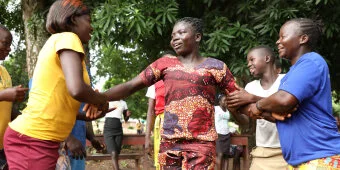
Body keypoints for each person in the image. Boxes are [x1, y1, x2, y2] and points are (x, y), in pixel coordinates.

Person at [85, 17, 238, 169]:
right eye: (173, 36)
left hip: (201, 146)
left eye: (181, 33)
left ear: (197, 37)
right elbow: (131, 85)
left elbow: (237, 96)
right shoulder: (164, 65)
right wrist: (99, 97)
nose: (175, 39)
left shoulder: (216, 67)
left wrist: (252, 108)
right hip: (169, 146)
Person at [3, 1, 108, 169]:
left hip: (40, 139)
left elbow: (56, 104)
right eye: (89, 20)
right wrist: (102, 99)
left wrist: (86, 114)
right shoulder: (68, 37)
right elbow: (77, 89)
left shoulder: (59, 42)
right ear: (73, 19)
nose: (92, 27)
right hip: (34, 140)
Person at [246, 18, 340, 169]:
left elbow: (284, 100)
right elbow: (286, 114)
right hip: (302, 160)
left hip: (319, 157)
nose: (278, 41)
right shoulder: (294, 73)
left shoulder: (311, 61)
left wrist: (257, 105)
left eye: (283, 36)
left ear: (303, 39)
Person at [227, 45, 288, 170]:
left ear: (267, 58)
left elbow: (286, 107)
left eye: (252, 60)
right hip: (263, 152)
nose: (249, 65)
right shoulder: (250, 87)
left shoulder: (286, 80)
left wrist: (252, 98)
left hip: (290, 149)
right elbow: (245, 120)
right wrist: (233, 111)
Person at [0, 25, 29, 170]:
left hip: (3, 145)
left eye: (10, 45)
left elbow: (8, 110)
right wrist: (4, 95)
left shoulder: (4, 72)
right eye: (5, 43)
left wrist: (27, 118)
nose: (9, 49)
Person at [104, 100, 129, 170]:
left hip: (118, 130)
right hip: (108, 129)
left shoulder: (124, 103)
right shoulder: (108, 101)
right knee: (114, 153)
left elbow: (126, 119)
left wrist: (128, 115)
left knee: (116, 153)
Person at [145, 80, 165, 170]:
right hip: (162, 124)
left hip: (183, 123)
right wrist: (147, 138)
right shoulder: (155, 85)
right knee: (162, 160)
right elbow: (150, 111)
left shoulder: (182, 78)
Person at [214, 94, 231, 170]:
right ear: (220, 102)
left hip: (227, 134)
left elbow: (227, 122)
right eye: (224, 100)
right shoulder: (216, 109)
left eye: (227, 100)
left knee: (226, 156)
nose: (226, 102)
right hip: (219, 134)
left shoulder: (227, 111)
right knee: (220, 155)